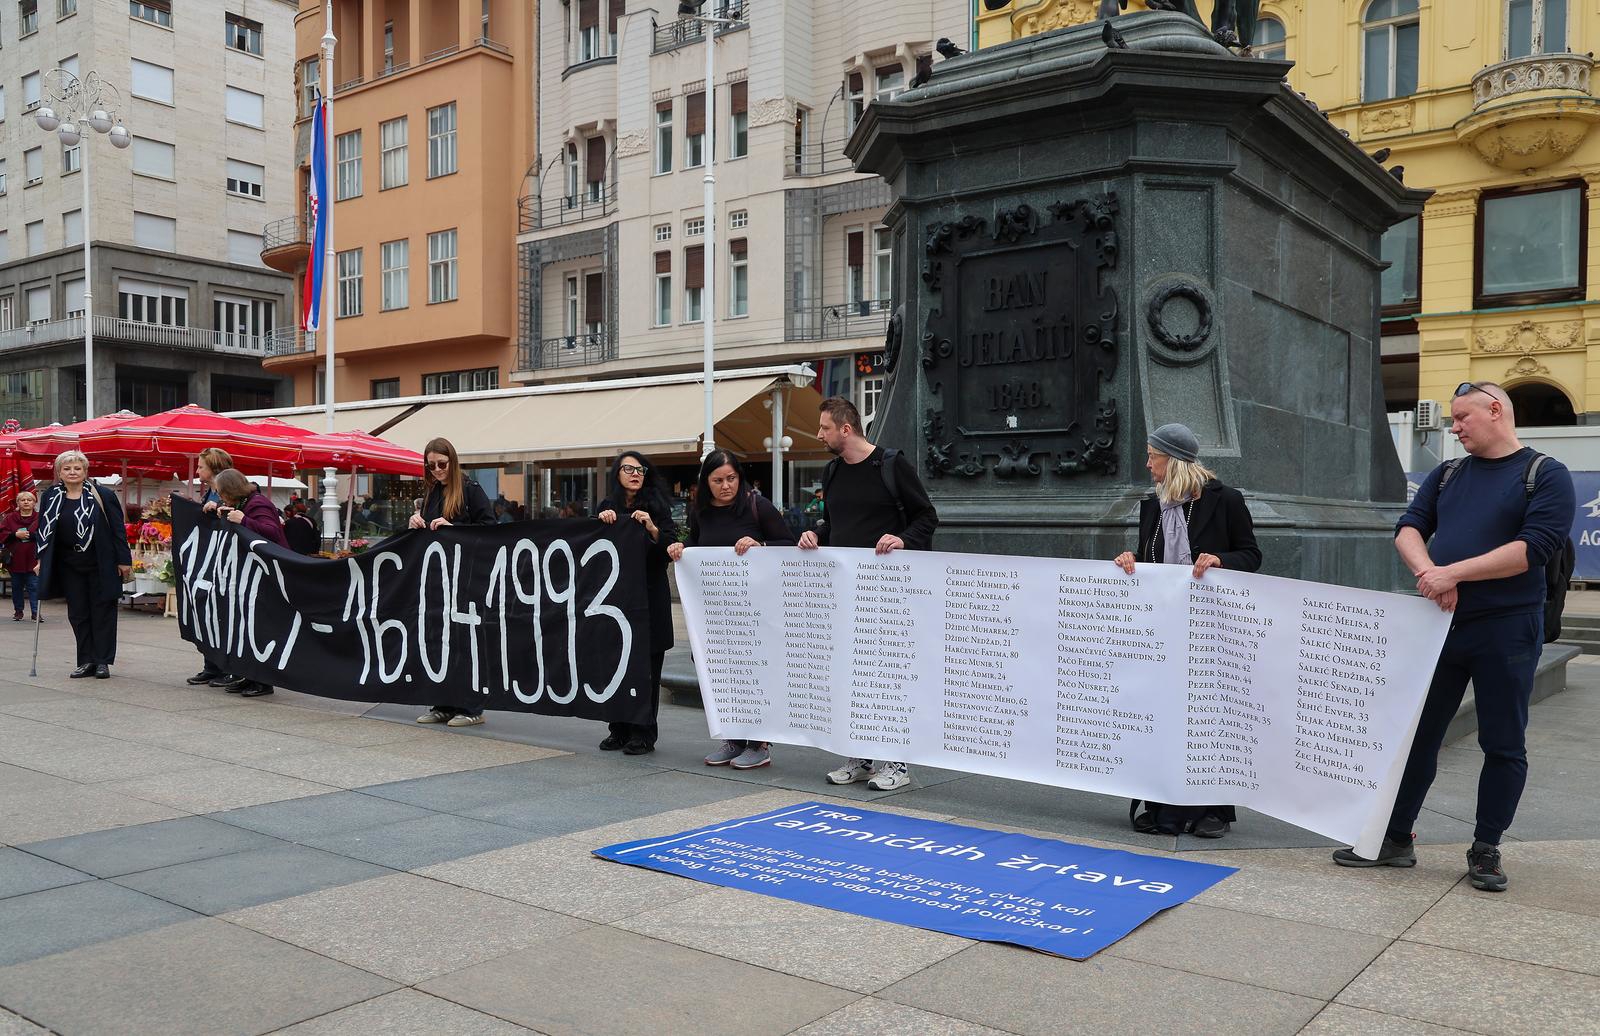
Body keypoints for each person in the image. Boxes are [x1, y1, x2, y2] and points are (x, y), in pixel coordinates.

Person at [1333, 382, 1574, 891]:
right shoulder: (1447, 474)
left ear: (1495, 410)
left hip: (1508, 628)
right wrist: (1429, 573)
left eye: (1462, 417)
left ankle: (1486, 848)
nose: (1454, 427)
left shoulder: (1545, 474)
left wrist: (1453, 574)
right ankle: (1395, 838)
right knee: (1418, 736)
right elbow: (1409, 528)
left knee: (1503, 742)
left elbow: (1533, 548)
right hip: (1440, 625)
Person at [1113, 422, 1261, 839]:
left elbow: (1252, 554)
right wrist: (1130, 560)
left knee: (1207, 715)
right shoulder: (1153, 506)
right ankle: (1162, 805)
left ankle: (1214, 808)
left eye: (1152, 456)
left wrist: (1219, 562)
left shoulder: (1225, 500)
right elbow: (1150, 561)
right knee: (1162, 714)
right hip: (1162, 629)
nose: (1147, 465)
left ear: (1172, 460)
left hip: (1211, 630)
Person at [797, 396, 938, 791]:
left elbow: (928, 516)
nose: (819, 434)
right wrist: (816, 534)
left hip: (890, 593)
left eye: (824, 427)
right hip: (844, 592)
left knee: (888, 677)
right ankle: (860, 757)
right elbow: (836, 523)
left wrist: (902, 539)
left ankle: (897, 763)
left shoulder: (891, 464)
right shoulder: (832, 471)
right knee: (851, 675)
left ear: (846, 428)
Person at [669, 450, 795, 770]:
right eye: (717, 480)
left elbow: (789, 546)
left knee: (754, 674)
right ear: (706, 482)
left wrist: (760, 546)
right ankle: (734, 738)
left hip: (754, 611)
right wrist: (682, 549)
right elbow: (697, 548)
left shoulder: (758, 506)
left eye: (731, 478)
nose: (726, 486)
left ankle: (760, 742)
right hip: (715, 611)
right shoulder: (701, 513)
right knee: (722, 673)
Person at [411, 438, 497, 727]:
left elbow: (490, 530)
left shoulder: (471, 490)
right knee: (439, 638)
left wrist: (454, 528)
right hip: (438, 579)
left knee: (465, 640)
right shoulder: (433, 491)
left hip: (468, 578)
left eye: (441, 464)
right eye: (431, 465)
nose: (436, 470)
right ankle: (443, 703)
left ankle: (471, 706)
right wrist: (417, 521)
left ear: (453, 461)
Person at [597, 450, 677, 754]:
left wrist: (652, 529)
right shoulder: (608, 506)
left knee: (647, 670)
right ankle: (618, 729)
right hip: (617, 602)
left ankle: (643, 733)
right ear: (617, 473)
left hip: (649, 598)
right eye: (628, 468)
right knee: (616, 666)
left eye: (640, 469)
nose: (634, 474)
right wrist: (602, 522)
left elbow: (669, 548)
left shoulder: (657, 507)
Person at [35, 451, 133, 679]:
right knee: (78, 613)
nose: (72, 472)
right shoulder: (51, 496)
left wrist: (124, 560)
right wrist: (40, 559)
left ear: (85, 471)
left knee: (103, 612)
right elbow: (43, 530)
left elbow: (118, 529)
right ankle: (86, 660)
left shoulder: (103, 495)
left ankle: (102, 661)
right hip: (68, 563)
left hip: (101, 562)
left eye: (77, 468)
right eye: (67, 469)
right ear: (59, 472)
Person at [212, 469, 290, 697]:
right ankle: (250, 675)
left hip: (268, 574)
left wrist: (243, 519)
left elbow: (272, 532)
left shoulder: (258, 504)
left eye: (221, 493)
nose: (220, 497)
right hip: (254, 573)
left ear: (230, 490)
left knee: (261, 628)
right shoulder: (247, 502)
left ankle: (263, 681)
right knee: (248, 627)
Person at [187, 448, 238, 688]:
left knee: (223, 615)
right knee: (208, 612)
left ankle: (226, 667)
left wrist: (217, 511)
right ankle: (212, 666)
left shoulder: (230, 490)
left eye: (201, 467)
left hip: (227, 565)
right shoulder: (210, 491)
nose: (197, 471)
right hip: (211, 563)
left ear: (215, 468)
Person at [2, 491, 42, 621]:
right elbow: (2, 533)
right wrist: (15, 535)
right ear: (18, 503)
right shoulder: (9, 518)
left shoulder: (40, 517)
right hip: (16, 559)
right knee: (17, 587)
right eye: (23, 500)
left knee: (34, 586)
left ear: (34, 503)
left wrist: (33, 535)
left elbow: (48, 533)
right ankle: (18, 611)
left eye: (29, 500)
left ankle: (36, 612)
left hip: (34, 559)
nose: (26, 502)